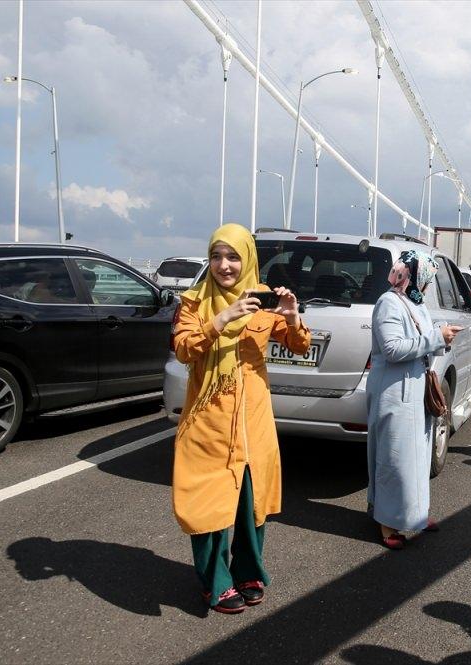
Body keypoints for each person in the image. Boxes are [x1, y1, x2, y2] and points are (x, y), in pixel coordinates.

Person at [172, 223, 311, 614]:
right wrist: (223, 318)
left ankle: (248, 572)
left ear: (248, 259)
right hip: (208, 417)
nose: (223, 265)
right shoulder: (195, 302)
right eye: (216, 255)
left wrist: (293, 315)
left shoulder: (263, 301)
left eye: (233, 256)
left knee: (252, 500)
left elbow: (299, 345)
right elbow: (184, 349)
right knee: (208, 501)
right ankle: (214, 582)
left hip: (253, 419)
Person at [366, 250, 463, 550]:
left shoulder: (416, 303)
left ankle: (414, 516)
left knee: (417, 458)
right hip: (393, 392)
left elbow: (423, 342)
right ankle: (386, 523)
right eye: (428, 278)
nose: (429, 285)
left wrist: (442, 339)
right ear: (414, 275)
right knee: (394, 458)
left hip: (415, 390)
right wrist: (436, 338)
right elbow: (393, 349)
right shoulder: (388, 303)